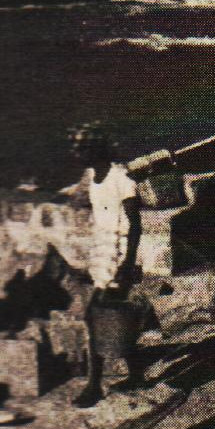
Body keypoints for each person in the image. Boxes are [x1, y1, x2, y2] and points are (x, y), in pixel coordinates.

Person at [68, 124, 143, 408]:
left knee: (95, 315)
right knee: (112, 314)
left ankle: (94, 385)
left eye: (83, 148)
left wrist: (127, 263)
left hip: (119, 254)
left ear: (98, 148)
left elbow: (135, 225)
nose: (78, 155)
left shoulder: (121, 178)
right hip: (102, 253)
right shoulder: (92, 176)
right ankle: (136, 372)